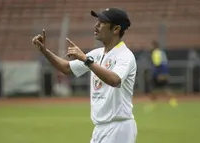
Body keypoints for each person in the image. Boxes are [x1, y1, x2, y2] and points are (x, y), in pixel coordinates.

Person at [32, 7, 137, 143]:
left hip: (118, 128)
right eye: (97, 21)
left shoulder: (125, 55)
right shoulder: (97, 54)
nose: (96, 25)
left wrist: (86, 60)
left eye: (102, 22)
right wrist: (44, 51)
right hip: (100, 129)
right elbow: (66, 68)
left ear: (116, 29)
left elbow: (114, 80)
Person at [149, 40, 177, 107]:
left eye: (151, 45)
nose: (150, 47)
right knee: (157, 88)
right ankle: (172, 101)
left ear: (154, 46)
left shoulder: (156, 52)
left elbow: (158, 64)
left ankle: (171, 100)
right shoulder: (161, 52)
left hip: (159, 73)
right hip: (161, 72)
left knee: (163, 87)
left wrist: (160, 74)